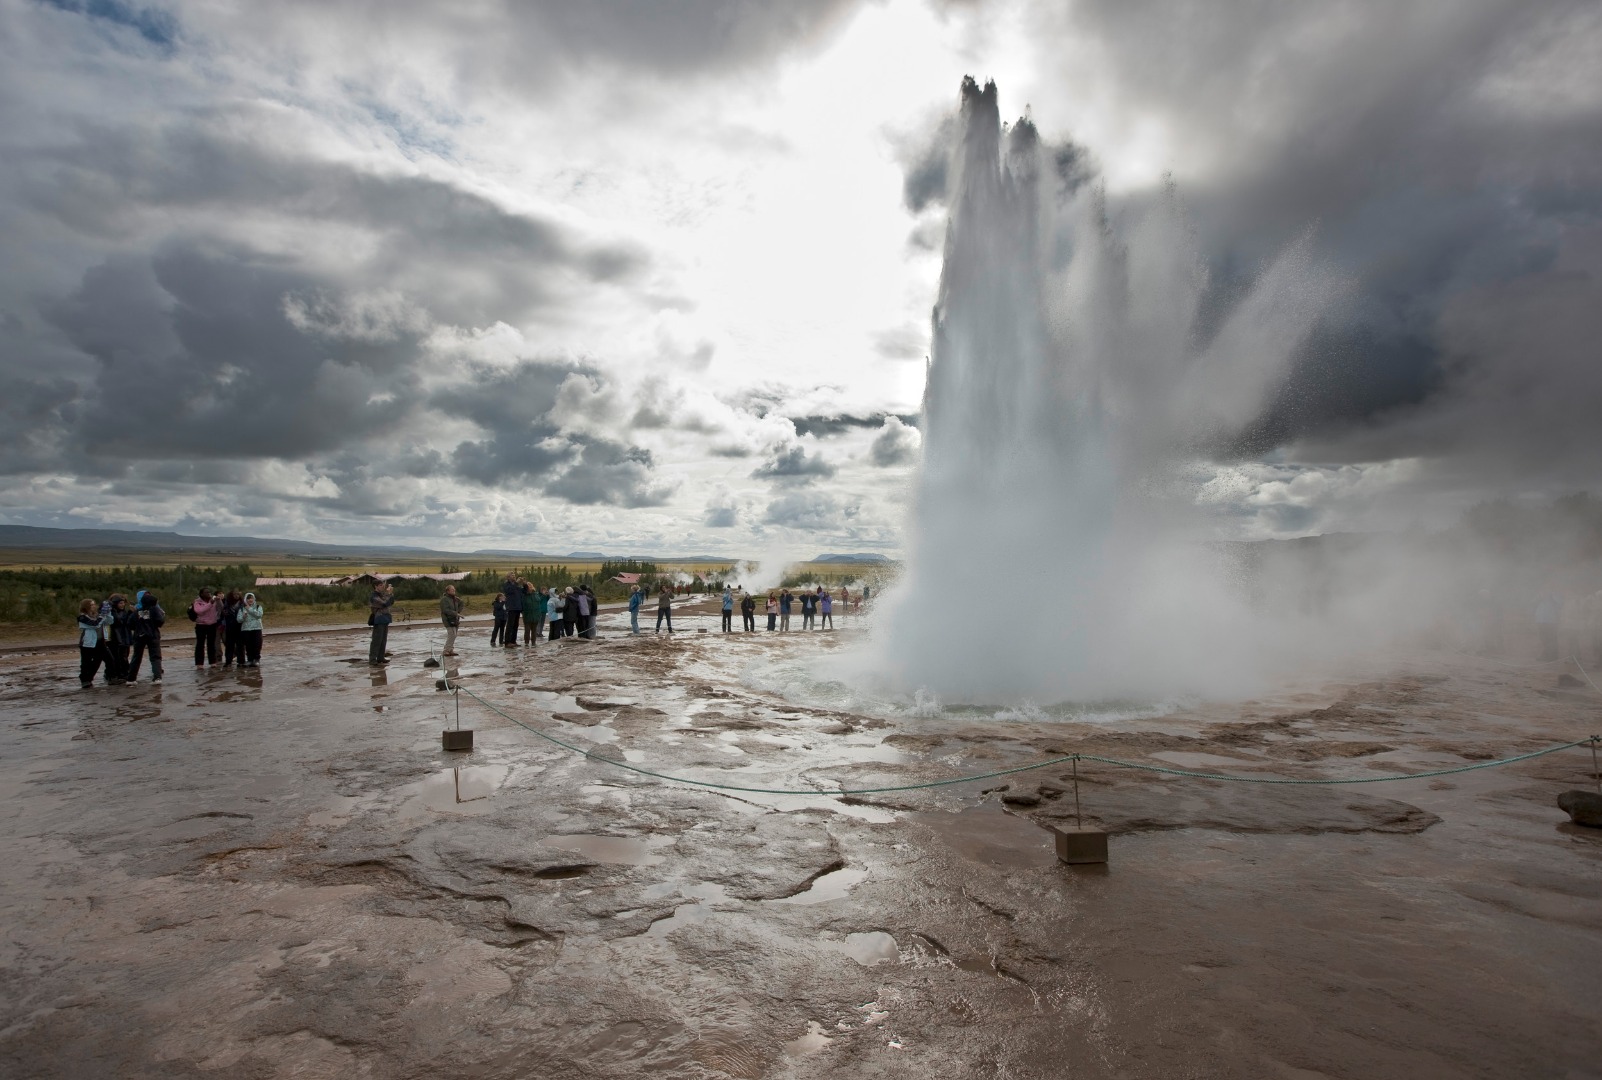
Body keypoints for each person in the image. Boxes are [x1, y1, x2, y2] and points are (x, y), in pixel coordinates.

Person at [129, 591, 165, 684]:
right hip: (153, 635)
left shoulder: (137, 612)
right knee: (155, 657)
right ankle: (157, 677)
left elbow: (130, 624)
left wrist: (138, 628)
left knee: (136, 657)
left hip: (139, 636)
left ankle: (131, 679)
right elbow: (160, 621)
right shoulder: (154, 610)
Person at [76, 598, 108, 688]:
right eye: (91, 605)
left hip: (99, 641)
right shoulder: (82, 617)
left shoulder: (97, 615)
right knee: (86, 662)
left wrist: (107, 613)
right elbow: (94, 624)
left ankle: (89, 678)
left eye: (94, 604)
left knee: (98, 660)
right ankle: (84, 679)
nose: (94, 606)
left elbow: (108, 621)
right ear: (86, 607)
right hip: (87, 643)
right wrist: (102, 615)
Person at [105, 593, 135, 685]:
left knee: (124, 655)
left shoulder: (123, 611)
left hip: (124, 636)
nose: (122, 605)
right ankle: (119, 674)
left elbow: (127, 622)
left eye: (123, 603)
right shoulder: (113, 612)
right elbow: (119, 621)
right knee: (119, 656)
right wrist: (130, 613)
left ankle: (124, 673)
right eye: (120, 603)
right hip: (117, 637)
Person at [190, 587, 223, 667]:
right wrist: (210, 604)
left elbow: (220, 609)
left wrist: (219, 601)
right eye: (206, 592)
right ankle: (199, 663)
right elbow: (199, 611)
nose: (209, 594)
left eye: (209, 592)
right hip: (201, 625)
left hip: (212, 624)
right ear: (201, 594)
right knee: (200, 644)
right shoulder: (197, 602)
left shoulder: (213, 601)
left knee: (211, 644)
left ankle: (212, 662)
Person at [236, 592, 265, 667]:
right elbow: (239, 620)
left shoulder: (258, 607)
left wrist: (249, 609)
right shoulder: (242, 608)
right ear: (245, 599)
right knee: (248, 645)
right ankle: (250, 659)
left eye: (251, 598)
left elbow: (259, 615)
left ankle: (256, 659)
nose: (250, 600)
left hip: (257, 628)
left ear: (254, 598)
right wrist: (243, 617)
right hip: (246, 629)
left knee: (257, 644)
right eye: (248, 598)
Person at [368, 581, 394, 665]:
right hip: (379, 618)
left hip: (385, 618)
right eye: (380, 585)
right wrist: (389, 594)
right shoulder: (374, 596)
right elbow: (384, 603)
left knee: (383, 640)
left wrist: (390, 594)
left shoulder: (382, 595)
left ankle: (380, 657)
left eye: (382, 585)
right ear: (375, 586)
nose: (382, 586)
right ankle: (372, 659)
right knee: (376, 640)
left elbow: (391, 602)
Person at [1534, 591, 1561, 661]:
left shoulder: (1555, 595)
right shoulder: (1540, 596)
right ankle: (1546, 654)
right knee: (1543, 638)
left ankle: (1552, 655)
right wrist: (1540, 597)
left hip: (1551, 621)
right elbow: (1532, 603)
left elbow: (1560, 604)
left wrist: (1551, 596)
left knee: (1551, 639)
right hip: (1541, 620)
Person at [221, 588, 245, 666]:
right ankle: (228, 661)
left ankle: (241, 661)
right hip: (230, 626)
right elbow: (224, 613)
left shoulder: (242, 603)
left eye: (238, 594)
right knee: (229, 644)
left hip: (239, 626)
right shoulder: (227, 603)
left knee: (240, 644)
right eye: (234, 594)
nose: (236, 596)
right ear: (231, 595)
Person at [440, 585, 464, 655]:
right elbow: (445, 610)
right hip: (448, 619)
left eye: (454, 589)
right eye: (452, 590)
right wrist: (456, 613)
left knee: (454, 634)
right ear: (448, 591)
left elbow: (462, 603)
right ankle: (446, 650)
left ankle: (450, 650)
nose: (454, 590)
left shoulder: (455, 599)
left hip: (455, 619)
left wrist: (458, 612)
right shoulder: (444, 599)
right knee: (451, 634)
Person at [502, 573, 523, 648]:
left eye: (514, 575)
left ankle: (513, 641)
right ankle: (507, 642)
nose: (514, 577)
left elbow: (522, 592)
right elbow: (509, 590)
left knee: (515, 625)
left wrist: (524, 583)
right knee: (510, 625)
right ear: (508, 577)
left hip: (517, 607)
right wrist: (516, 583)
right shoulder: (506, 584)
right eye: (512, 576)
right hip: (511, 607)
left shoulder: (516, 585)